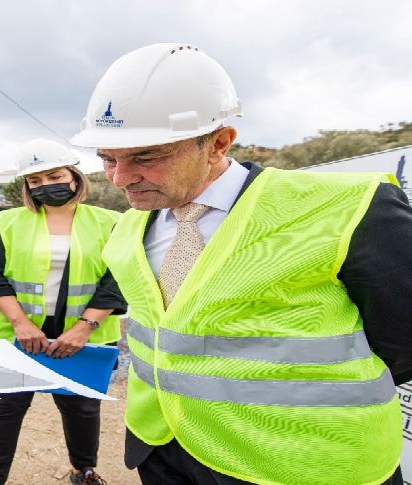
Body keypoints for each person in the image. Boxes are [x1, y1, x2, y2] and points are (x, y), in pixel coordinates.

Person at [69, 43, 412, 485]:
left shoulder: (349, 208)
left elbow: (402, 341)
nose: (119, 178)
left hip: (305, 465)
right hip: (164, 450)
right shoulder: (126, 231)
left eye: (146, 157)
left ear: (217, 144)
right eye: (108, 159)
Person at [0, 138, 126, 485]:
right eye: (35, 181)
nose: (45, 185)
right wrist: (20, 323)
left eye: (54, 175)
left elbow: (116, 279)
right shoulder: (10, 221)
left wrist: (85, 327)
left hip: (83, 336)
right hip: (13, 337)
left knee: (82, 409)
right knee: (3, 410)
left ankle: (83, 472)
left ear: (73, 176)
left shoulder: (110, 222)